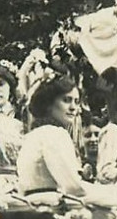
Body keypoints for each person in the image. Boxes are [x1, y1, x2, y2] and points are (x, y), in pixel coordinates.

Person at [16, 75, 86, 203]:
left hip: (32, 202)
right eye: (66, 100)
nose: (73, 107)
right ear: (48, 103)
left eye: (76, 102)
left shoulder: (32, 135)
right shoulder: (54, 134)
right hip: (51, 205)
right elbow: (73, 187)